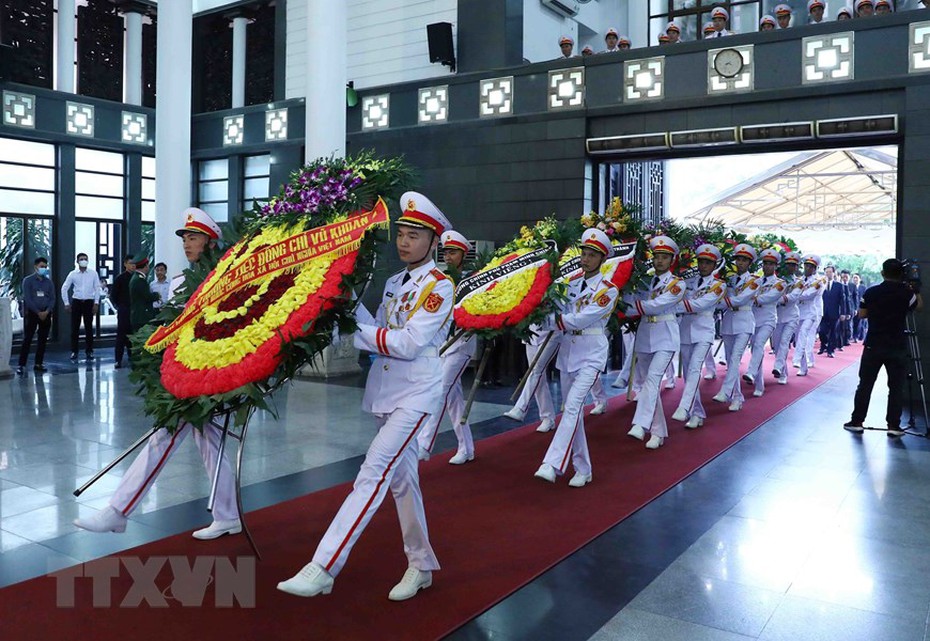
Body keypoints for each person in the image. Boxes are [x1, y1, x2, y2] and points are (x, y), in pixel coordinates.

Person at [278, 192, 454, 602]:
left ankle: (324, 566)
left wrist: (361, 331)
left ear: (433, 241)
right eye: (402, 234)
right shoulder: (395, 282)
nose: (404, 241)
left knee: (372, 472)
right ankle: (421, 565)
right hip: (388, 391)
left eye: (414, 235)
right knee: (403, 482)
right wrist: (344, 304)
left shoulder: (439, 287)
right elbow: (378, 328)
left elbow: (408, 343)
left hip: (416, 393)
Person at [73, 207, 242, 541]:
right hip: (189, 371)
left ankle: (119, 511)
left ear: (210, 243)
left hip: (215, 371)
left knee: (169, 436)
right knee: (210, 442)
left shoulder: (227, 278)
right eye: (185, 239)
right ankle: (227, 515)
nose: (187, 244)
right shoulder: (181, 280)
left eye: (194, 238)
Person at [533, 228, 619, 484]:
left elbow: (583, 317)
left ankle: (552, 463)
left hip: (592, 352)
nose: (586, 259)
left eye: (593, 255)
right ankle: (583, 469)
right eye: (584, 253)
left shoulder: (608, 289)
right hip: (569, 352)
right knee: (574, 411)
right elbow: (556, 307)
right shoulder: (569, 285)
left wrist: (554, 321)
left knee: (571, 406)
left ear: (602, 260)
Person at [416, 229, 477, 465]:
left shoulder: (472, 281)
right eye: (446, 252)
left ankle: (424, 444)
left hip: (461, 344)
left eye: (453, 252)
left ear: (463, 254)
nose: (448, 256)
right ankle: (466, 447)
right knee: (453, 399)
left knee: (440, 390)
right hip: (444, 345)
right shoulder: (441, 280)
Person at [844, 259, 922, 435]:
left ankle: (857, 421)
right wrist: (915, 289)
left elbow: (862, 314)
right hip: (897, 345)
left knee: (865, 384)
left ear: (882, 273)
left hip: (874, 344)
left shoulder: (871, 292)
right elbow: (919, 307)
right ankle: (893, 425)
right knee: (896, 387)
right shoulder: (906, 293)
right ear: (901, 274)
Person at [625, 236, 686, 449]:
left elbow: (657, 305)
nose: (659, 261)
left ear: (672, 260)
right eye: (657, 257)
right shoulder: (645, 281)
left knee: (652, 380)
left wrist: (635, 307)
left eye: (664, 258)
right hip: (644, 335)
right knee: (648, 384)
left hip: (666, 337)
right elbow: (629, 302)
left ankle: (641, 424)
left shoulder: (678, 283)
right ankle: (659, 432)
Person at [671, 244, 725, 429]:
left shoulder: (718, 285)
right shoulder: (688, 282)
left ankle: (684, 407)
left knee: (695, 368)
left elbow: (701, 304)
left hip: (704, 331)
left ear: (714, 265)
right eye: (701, 261)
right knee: (688, 373)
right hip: (685, 330)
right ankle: (697, 412)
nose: (703, 266)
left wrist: (672, 307)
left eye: (708, 263)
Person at [713, 244, 758, 411]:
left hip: (745, 321)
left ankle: (725, 391)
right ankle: (737, 397)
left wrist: (720, 302)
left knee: (735, 359)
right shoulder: (729, 280)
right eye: (738, 259)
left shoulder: (754, 281)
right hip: (729, 321)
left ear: (749, 263)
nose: (740, 263)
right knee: (731, 360)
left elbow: (740, 300)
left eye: (744, 260)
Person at [743, 248, 786, 398]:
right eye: (765, 263)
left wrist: (753, 299)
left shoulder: (780, 283)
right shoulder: (755, 281)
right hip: (754, 319)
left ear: (776, 266)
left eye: (770, 264)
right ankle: (758, 384)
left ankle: (750, 372)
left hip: (768, 319)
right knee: (756, 348)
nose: (767, 266)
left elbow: (771, 297)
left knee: (760, 344)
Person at [506, 322, 558, 432]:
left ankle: (520, 408)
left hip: (552, 333)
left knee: (536, 371)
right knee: (538, 377)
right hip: (531, 334)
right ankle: (547, 417)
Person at [16, 257, 55, 375]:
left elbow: (52, 298)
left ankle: (39, 363)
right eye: (41, 266)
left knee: (42, 339)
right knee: (28, 338)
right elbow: (28, 299)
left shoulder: (49, 282)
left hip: (46, 313)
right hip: (33, 313)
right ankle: (21, 365)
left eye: (45, 267)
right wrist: (38, 312)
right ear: (35, 267)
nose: (43, 269)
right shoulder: (28, 281)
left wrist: (47, 311)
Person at [60, 251, 101, 361]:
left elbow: (97, 288)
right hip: (77, 302)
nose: (84, 261)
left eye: (85, 259)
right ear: (77, 261)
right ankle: (74, 351)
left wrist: (96, 303)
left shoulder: (93, 273)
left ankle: (89, 351)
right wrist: (66, 303)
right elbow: (64, 288)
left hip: (89, 302)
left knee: (89, 328)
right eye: (81, 259)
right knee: (75, 328)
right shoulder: (72, 274)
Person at [771, 251, 804, 384]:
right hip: (777, 316)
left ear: (797, 267)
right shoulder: (778, 280)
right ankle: (783, 372)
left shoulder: (799, 282)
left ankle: (778, 367)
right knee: (778, 346)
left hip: (791, 316)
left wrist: (773, 299)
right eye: (788, 264)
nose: (791, 267)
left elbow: (792, 297)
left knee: (785, 342)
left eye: (793, 265)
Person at [794, 254, 824, 376]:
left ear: (815, 269)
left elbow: (808, 295)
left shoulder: (818, 282)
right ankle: (803, 367)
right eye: (806, 265)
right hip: (798, 312)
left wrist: (795, 294)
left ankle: (797, 358)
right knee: (798, 339)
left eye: (811, 267)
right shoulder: (799, 280)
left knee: (805, 334)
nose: (808, 268)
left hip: (811, 313)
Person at [111, 254, 135, 368]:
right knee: (121, 335)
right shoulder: (120, 278)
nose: (133, 266)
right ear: (125, 264)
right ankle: (118, 360)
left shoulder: (138, 277)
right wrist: (119, 306)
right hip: (124, 310)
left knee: (133, 334)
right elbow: (113, 295)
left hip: (135, 310)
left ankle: (133, 357)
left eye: (134, 263)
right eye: (130, 263)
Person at [818, 265, 847, 358]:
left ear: (834, 273)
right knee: (821, 331)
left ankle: (831, 350)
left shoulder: (839, 285)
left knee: (833, 332)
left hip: (834, 312)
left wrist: (843, 313)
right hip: (822, 312)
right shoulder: (820, 284)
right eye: (826, 272)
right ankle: (824, 344)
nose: (828, 274)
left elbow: (843, 300)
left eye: (830, 272)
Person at [129, 255, 159, 332]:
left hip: (138, 315)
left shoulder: (136, 277)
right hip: (141, 316)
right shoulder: (139, 280)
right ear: (146, 266)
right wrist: (157, 295)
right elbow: (147, 296)